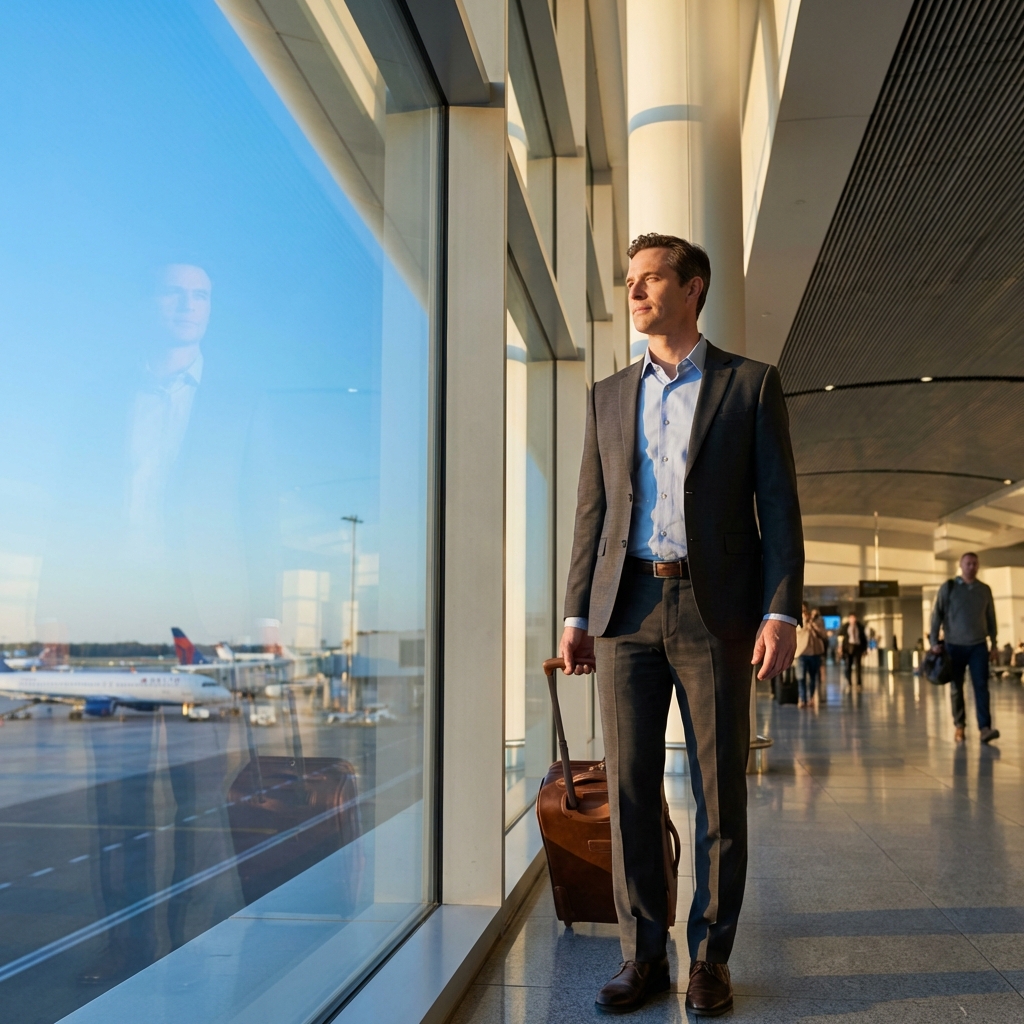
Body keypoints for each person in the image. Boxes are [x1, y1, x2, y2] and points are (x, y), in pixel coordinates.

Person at [559, 233, 803, 1015]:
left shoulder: (750, 386)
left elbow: (780, 509)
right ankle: (644, 959)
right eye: (630, 281)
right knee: (631, 793)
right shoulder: (605, 394)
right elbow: (591, 515)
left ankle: (711, 960)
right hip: (623, 611)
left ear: (692, 288)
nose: (635, 293)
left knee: (719, 792)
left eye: (650, 279)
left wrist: (780, 609)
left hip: (716, 610)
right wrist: (574, 613)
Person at [929, 552, 999, 743]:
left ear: (978, 566)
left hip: (978, 645)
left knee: (981, 686)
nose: (971, 566)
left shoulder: (984, 590)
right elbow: (937, 615)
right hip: (954, 646)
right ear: (961, 565)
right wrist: (934, 641)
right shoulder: (949, 588)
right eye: (968, 563)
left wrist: (994, 643)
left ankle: (985, 728)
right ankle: (959, 725)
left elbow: (991, 617)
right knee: (956, 687)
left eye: (975, 563)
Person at [796, 606, 827, 706]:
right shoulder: (797, 621)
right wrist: (805, 621)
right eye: (802, 611)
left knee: (813, 677)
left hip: (814, 653)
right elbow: (798, 631)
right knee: (801, 677)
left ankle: (812, 697)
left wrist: (813, 624)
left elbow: (823, 634)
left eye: (806, 611)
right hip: (801, 653)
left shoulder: (817, 622)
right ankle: (802, 698)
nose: (804, 613)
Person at [842, 613, 867, 687]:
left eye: (854, 618)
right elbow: (842, 638)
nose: (853, 620)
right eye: (851, 618)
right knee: (848, 665)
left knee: (858, 665)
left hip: (858, 646)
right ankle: (849, 681)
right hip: (849, 647)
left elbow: (863, 638)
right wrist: (842, 649)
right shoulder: (846, 627)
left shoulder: (860, 627)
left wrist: (864, 649)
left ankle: (859, 681)